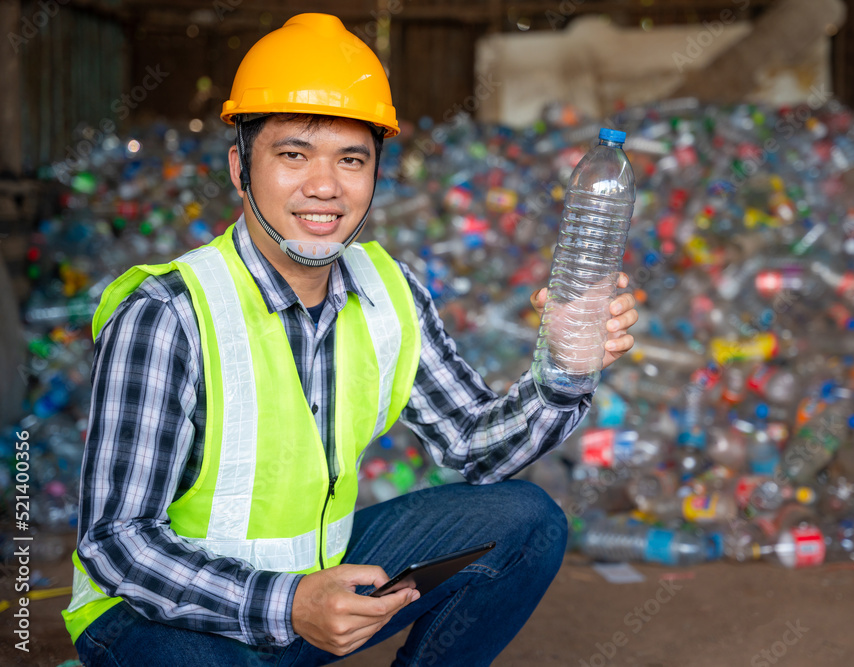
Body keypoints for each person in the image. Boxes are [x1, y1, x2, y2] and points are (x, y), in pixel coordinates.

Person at [64, 13, 638, 667]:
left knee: (526, 521)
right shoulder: (170, 313)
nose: (324, 185)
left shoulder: (389, 293)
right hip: (163, 620)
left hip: (315, 588)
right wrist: (285, 602)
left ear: (374, 174)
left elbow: (477, 446)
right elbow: (116, 543)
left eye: (351, 159)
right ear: (239, 167)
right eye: (292, 154)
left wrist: (563, 366)